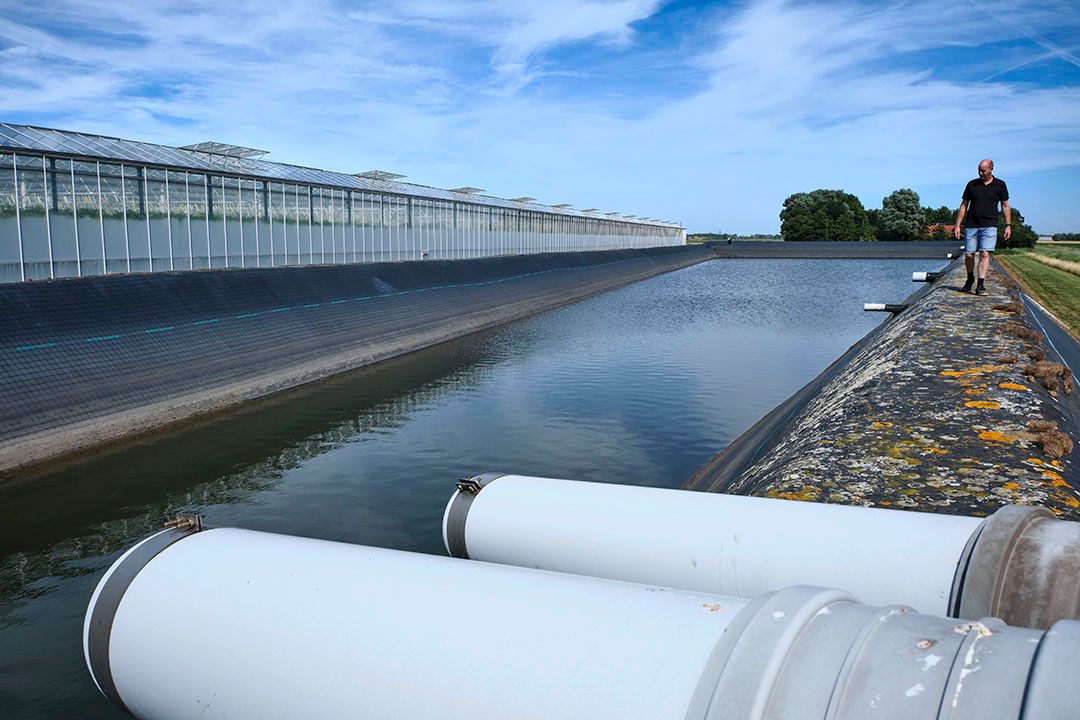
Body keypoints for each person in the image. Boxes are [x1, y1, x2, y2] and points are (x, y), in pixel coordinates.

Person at [954, 159, 1011, 295]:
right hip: (972, 224)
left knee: (985, 254)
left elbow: (1005, 205)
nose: (980, 173)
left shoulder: (1000, 185)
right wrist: (957, 225)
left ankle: (980, 285)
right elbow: (964, 205)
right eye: (979, 170)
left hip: (990, 225)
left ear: (991, 169)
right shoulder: (972, 184)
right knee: (969, 254)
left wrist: (1008, 225)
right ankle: (969, 279)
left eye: (983, 171)